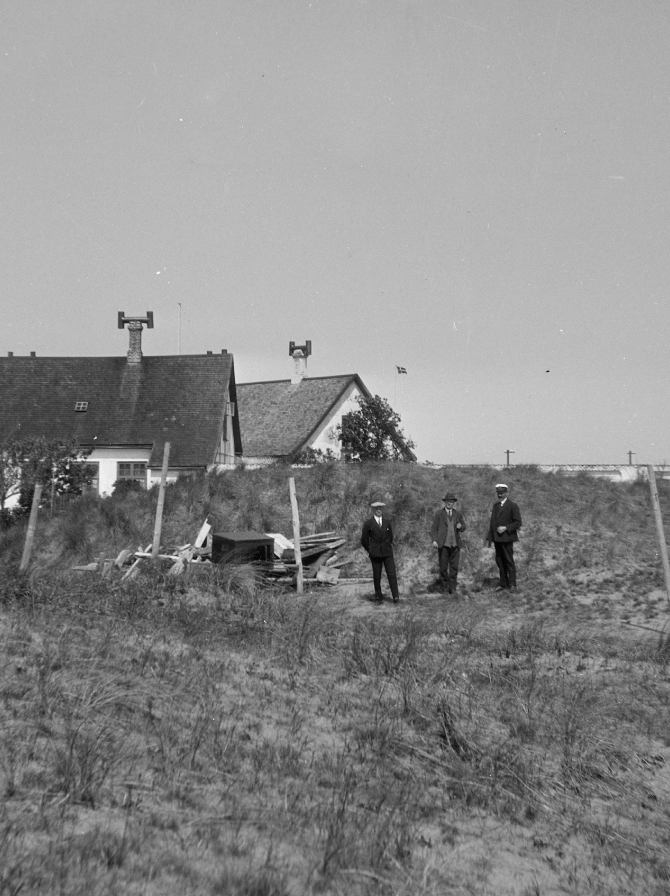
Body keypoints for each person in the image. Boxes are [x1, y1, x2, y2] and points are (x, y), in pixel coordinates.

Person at [361, 500, 400, 603]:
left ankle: (395, 596)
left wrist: (387, 545)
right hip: (375, 553)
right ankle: (378, 596)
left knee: (391, 573)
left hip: (387, 552)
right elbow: (364, 540)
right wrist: (371, 549)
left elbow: (391, 537)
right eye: (376, 509)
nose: (379, 510)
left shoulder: (387, 522)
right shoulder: (368, 523)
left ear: (382, 510)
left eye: (380, 508)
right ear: (373, 510)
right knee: (377, 575)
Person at [486, 483, 522, 592]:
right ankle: (503, 583)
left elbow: (518, 523)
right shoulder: (495, 506)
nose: (500, 495)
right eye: (498, 493)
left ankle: (512, 584)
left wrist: (506, 528)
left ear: (506, 493)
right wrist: (490, 538)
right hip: (497, 539)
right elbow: (492, 522)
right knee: (499, 561)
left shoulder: (512, 505)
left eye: (502, 493)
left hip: (507, 538)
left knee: (509, 561)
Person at [430, 492, 466, 594]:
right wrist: (434, 540)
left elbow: (463, 526)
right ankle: (445, 588)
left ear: (454, 503)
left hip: (455, 545)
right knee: (443, 567)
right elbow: (434, 529)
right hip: (443, 545)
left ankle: (453, 588)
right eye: (448, 501)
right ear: (445, 502)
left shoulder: (457, 514)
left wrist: (461, 527)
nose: (450, 503)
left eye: (452, 501)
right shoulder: (439, 514)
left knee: (454, 567)